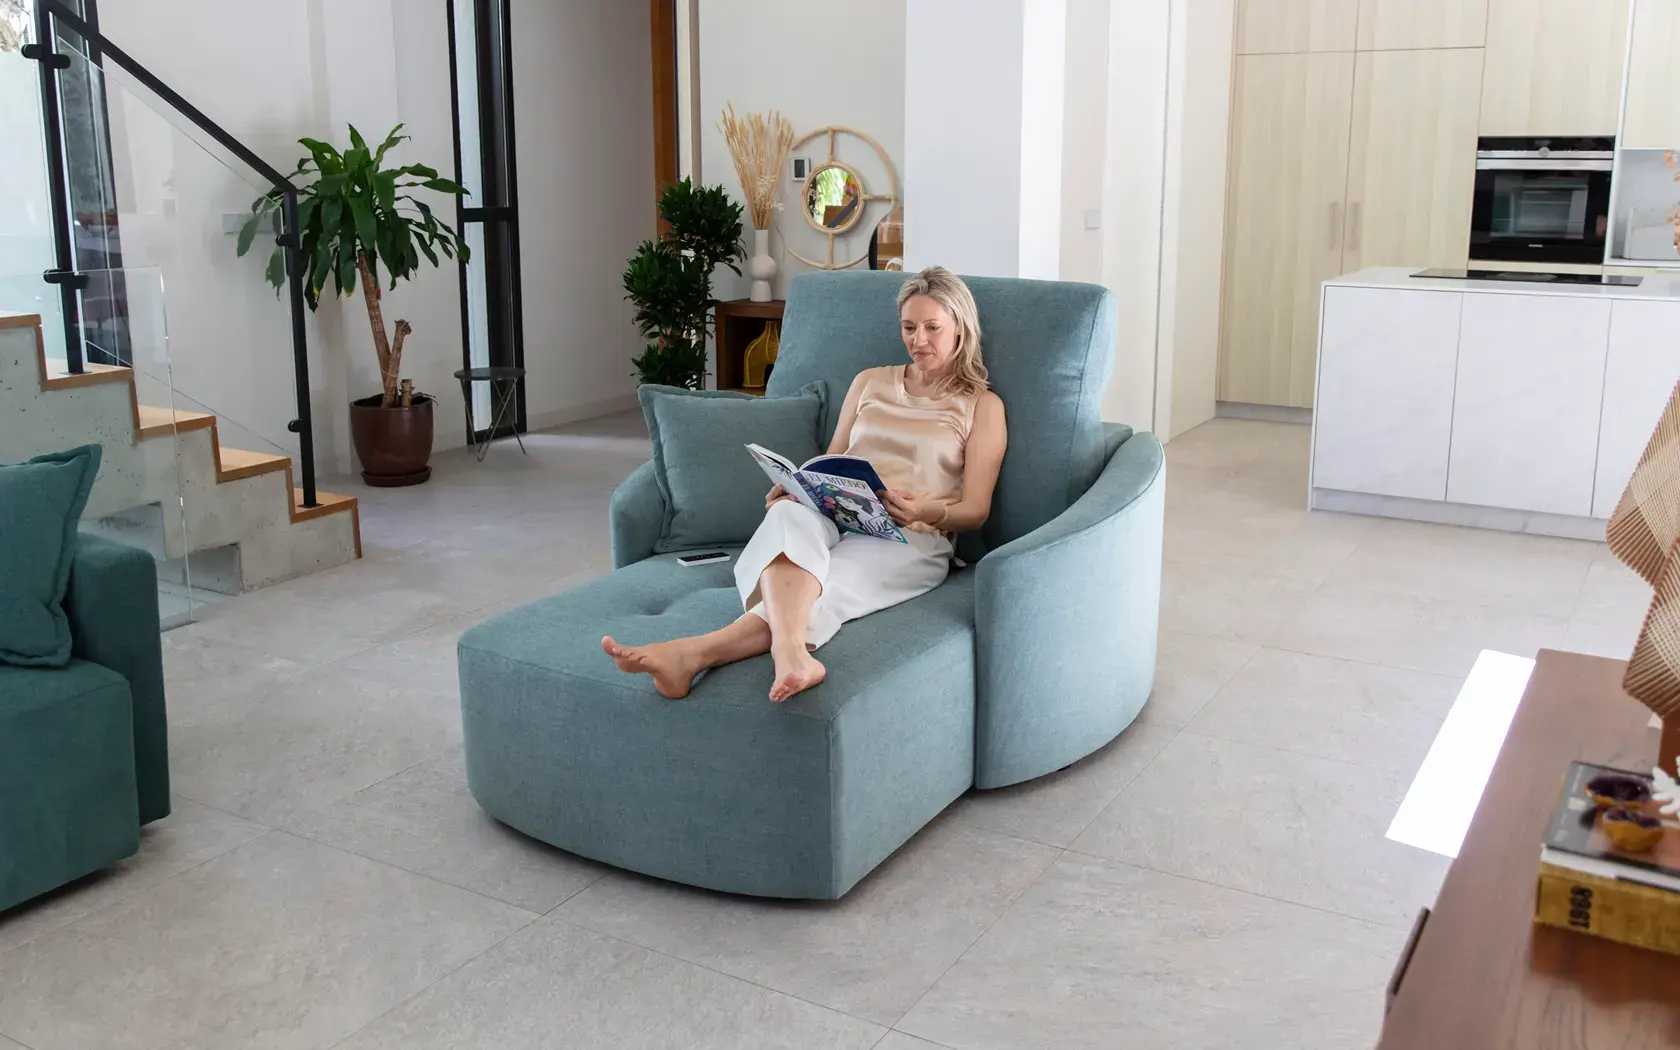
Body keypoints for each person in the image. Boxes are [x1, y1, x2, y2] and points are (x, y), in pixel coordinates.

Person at [603, 266, 1008, 702]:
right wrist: (799, 488)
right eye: (909, 327)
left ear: (960, 327)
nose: (918, 340)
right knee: (786, 516)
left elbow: (976, 511)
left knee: (820, 588)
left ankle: (691, 655)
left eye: (932, 328)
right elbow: (832, 460)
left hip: (909, 536)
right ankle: (791, 652)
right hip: (839, 513)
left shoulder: (981, 405)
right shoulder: (870, 382)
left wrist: (924, 510)